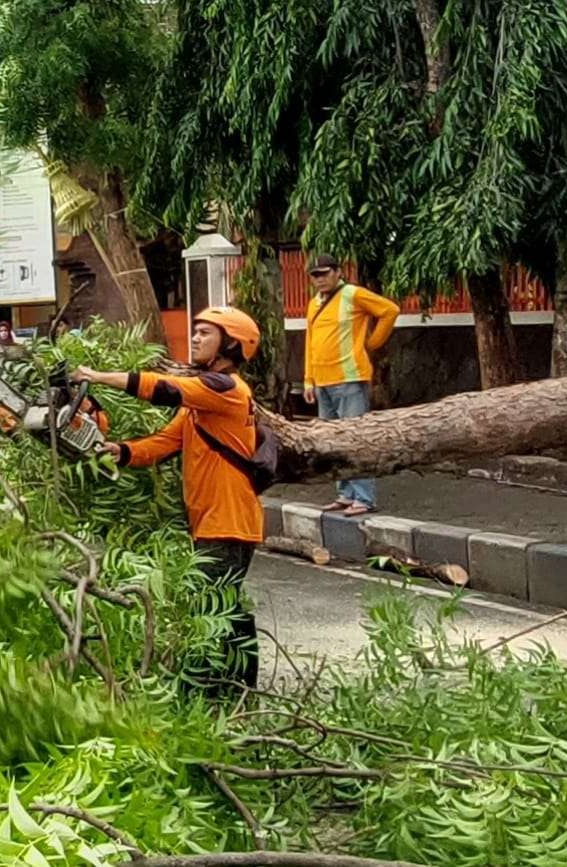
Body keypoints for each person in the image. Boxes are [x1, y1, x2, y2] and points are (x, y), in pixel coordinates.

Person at [72, 307, 263, 689]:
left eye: (205, 333)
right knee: (225, 604)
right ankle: (238, 688)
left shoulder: (225, 390)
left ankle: (202, 688)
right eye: (195, 332)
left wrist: (98, 377)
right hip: (213, 519)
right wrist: (121, 451)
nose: (194, 338)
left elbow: (163, 389)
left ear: (231, 344)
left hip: (227, 520)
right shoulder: (202, 403)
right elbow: (165, 442)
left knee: (207, 607)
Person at [302, 254, 400, 516]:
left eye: (324, 273)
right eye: (315, 275)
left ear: (337, 272)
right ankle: (345, 494)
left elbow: (390, 311)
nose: (320, 279)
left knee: (357, 440)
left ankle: (364, 498)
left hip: (349, 379)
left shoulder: (353, 294)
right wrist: (308, 379)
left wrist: (372, 344)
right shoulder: (314, 304)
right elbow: (310, 341)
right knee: (332, 443)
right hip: (322, 382)